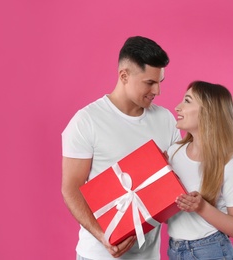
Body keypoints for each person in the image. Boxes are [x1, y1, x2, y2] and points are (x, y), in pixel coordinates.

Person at [61, 36, 181, 260]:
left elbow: (177, 180)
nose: (158, 91)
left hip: (149, 256)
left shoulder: (166, 120)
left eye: (160, 82)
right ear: (124, 76)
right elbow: (70, 189)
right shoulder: (87, 121)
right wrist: (103, 236)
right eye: (149, 83)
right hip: (98, 255)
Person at [166, 81, 233, 260]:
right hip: (175, 250)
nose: (177, 107)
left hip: (211, 251)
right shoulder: (173, 153)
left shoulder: (230, 166)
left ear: (207, 112)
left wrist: (202, 207)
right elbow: (169, 215)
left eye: (187, 101)